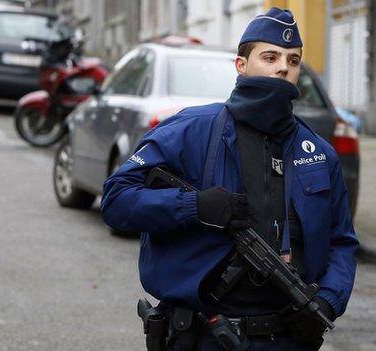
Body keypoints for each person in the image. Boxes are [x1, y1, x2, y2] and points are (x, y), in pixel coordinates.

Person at [101, 7, 358, 351]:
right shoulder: (190, 130)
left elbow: (341, 241)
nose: (283, 67)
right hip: (203, 337)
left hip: (286, 338)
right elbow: (117, 200)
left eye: (293, 61)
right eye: (270, 57)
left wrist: (327, 302)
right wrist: (193, 206)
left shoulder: (318, 152)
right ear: (241, 65)